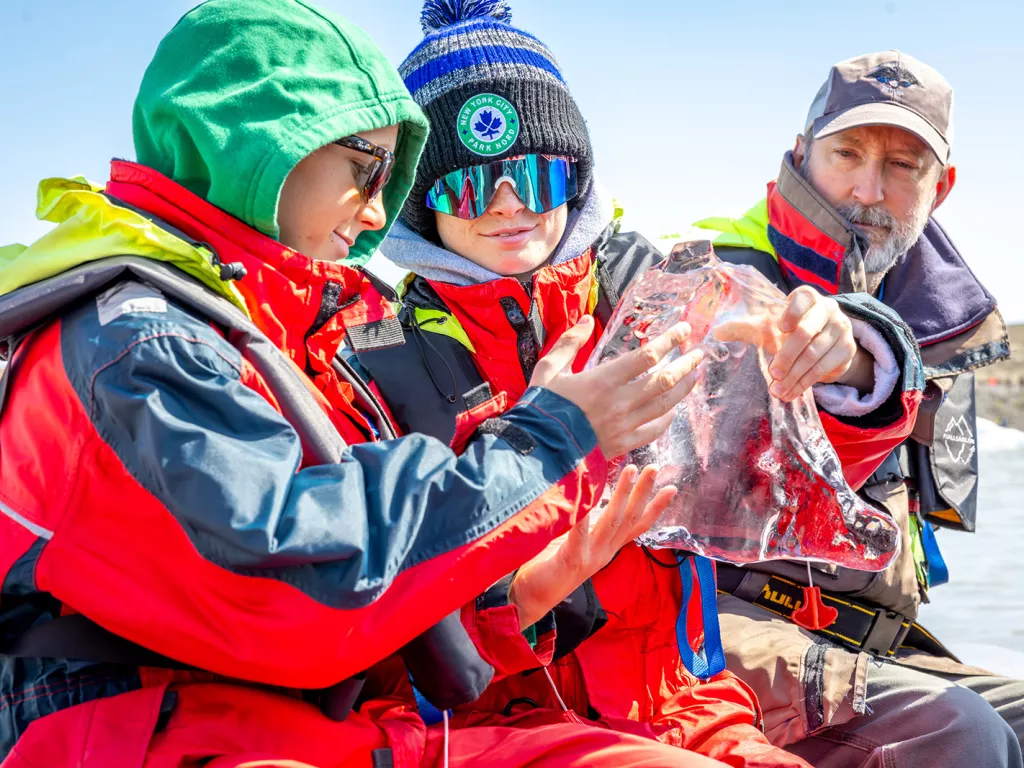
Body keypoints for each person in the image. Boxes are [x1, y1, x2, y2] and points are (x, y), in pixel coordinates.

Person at [0, 1, 725, 766]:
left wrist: (518, 599)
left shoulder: (268, 331)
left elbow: (360, 611)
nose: (380, 209)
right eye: (366, 168)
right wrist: (552, 439)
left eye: (538, 175)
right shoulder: (142, 341)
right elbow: (300, 591)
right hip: (157, 733)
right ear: (265, 143)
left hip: (316, 723)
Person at [355, 5, 923, 765]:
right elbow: (386, 629)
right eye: (468, 186)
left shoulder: (657, 293)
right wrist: (548, 572)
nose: (510, 205)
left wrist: (839, 363)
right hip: (496, 725)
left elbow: (789, 475)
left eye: (536, 172)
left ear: (576, 175)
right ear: (421, 203)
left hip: (687, 704)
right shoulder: (375, 362)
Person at [688, 50, 1023, 767]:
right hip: (714, 626)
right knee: (959, 733)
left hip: (867, 640)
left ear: (943, 186)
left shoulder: (938, 316)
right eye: (848, 153)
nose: (868, 189)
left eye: (903, 166)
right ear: (802, 155)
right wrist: (849, 365)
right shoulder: (715, 276)